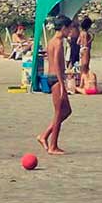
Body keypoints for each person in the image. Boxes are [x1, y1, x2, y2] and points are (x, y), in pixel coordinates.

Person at [37, 15, 73, 155]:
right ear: (63, 28)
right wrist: (63, 84)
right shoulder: (57, 43)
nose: (70, 31)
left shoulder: (51, 41)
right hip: (56, 79)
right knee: (58, 113)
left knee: (67, 111)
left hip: (53, 77)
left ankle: (44, 135)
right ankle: (53, 146)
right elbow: (57, 65)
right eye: (68, 29)